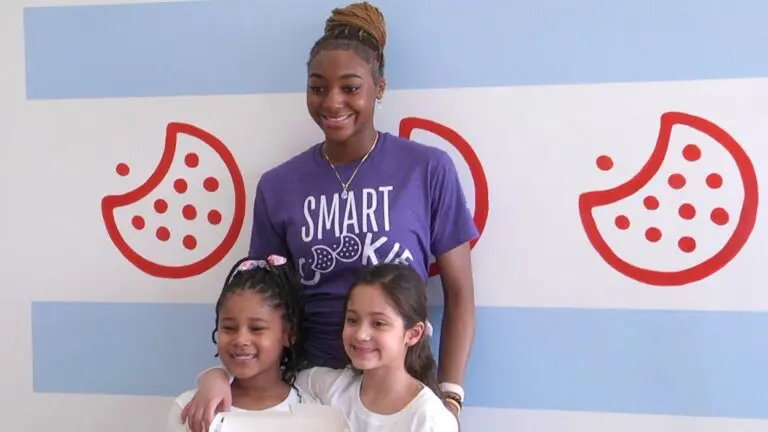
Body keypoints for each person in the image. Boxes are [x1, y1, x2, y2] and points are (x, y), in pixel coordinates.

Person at [182, 1, 478, 428]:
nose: (332, 101)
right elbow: (261, 303)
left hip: (399, 394)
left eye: (350, 87)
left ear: (379, 87)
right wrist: (218, 375)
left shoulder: (428, 169)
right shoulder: (278, 185)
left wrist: (450, 397)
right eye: (318, 87)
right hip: (308, 392)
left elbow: (460, 293)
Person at [168, 255, 317, 432]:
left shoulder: (311, 411)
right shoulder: (192, 409)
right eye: (229, 327)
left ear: (288, 334)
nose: (240, 340)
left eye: (256, 328)